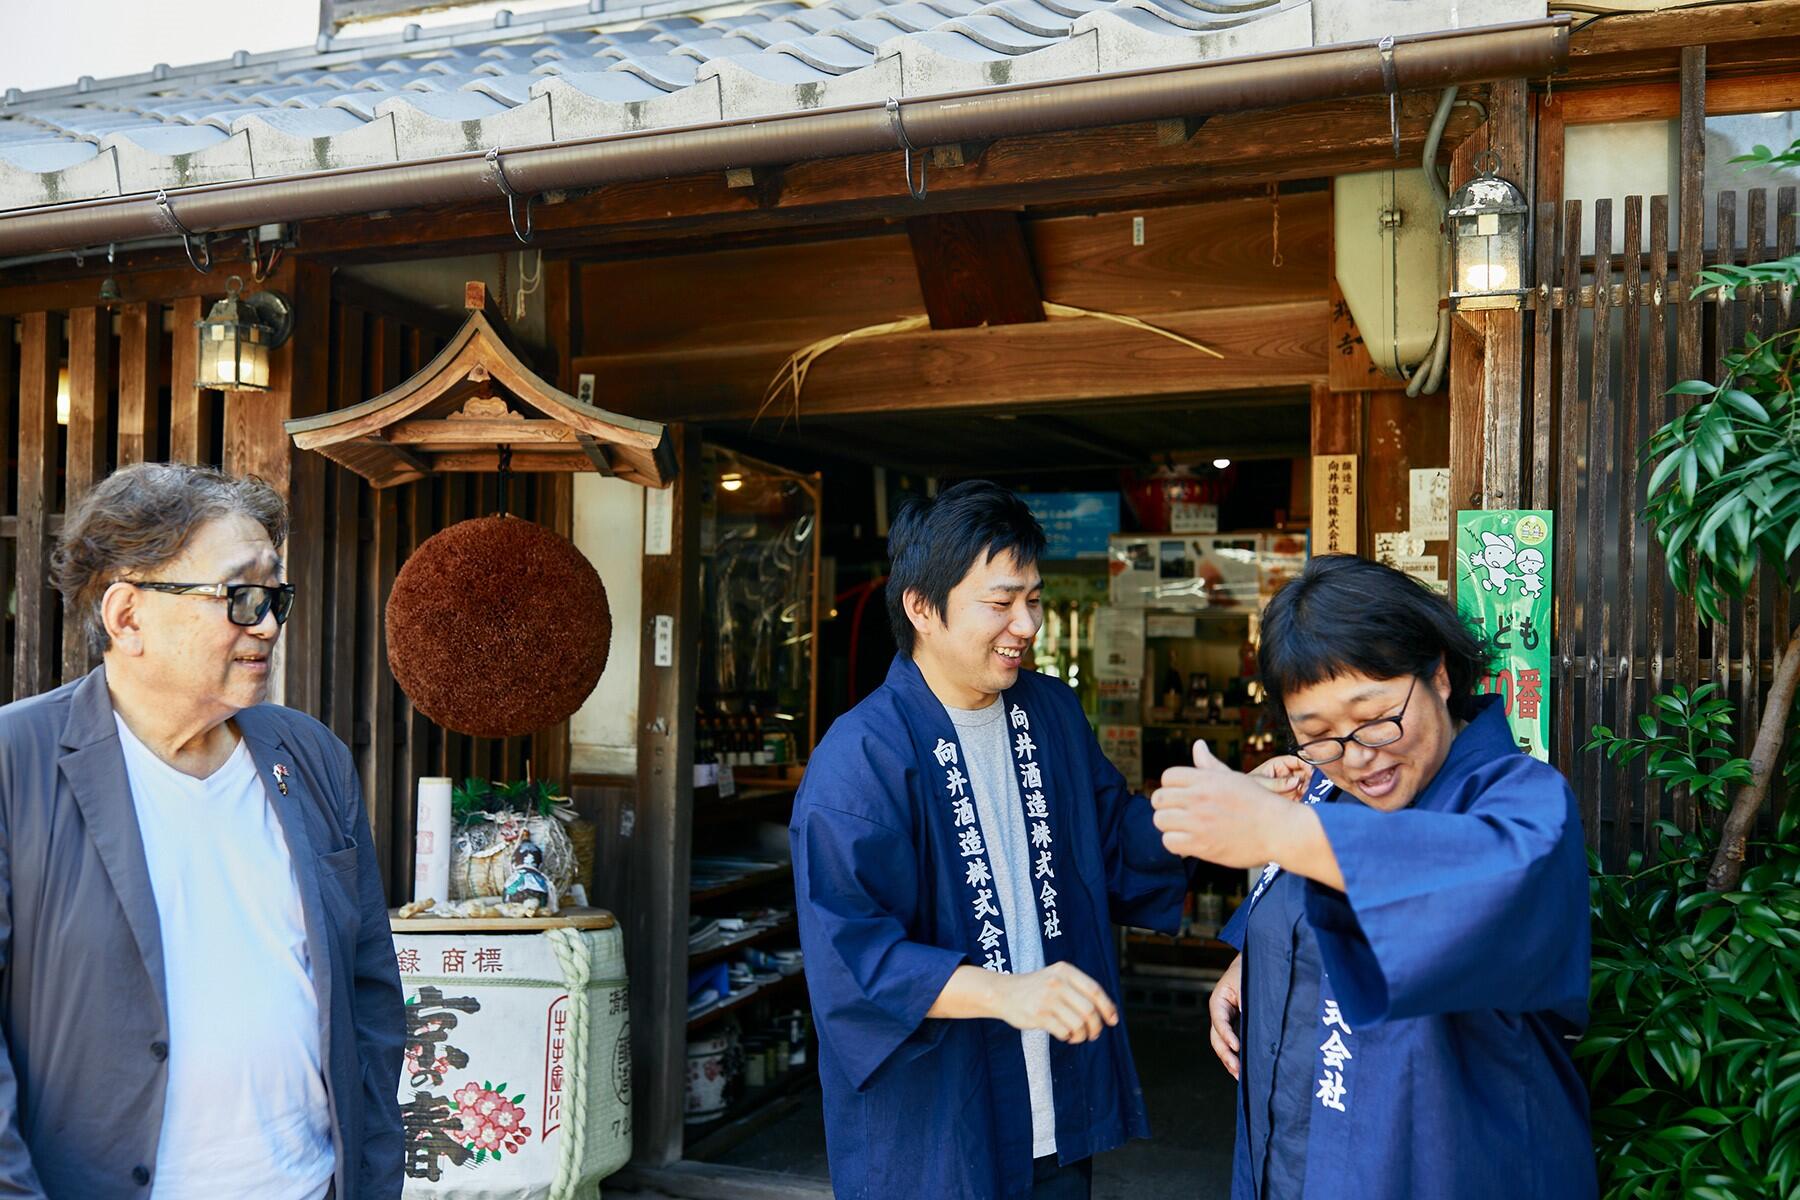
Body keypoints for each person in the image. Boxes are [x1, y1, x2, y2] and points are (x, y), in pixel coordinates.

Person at [0, 463, 404, 1199]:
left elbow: (368, 997)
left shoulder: (309, 756)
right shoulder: (14, 763)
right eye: (240, 596)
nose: (268, 624)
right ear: (128, 616)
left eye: (274, 596)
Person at [790, 481, 1191, 1200]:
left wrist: (1222, 809)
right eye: (1001, 602)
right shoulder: (863, 756)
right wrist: (1007, 993)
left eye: (1033, 599)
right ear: (922, 607)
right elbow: (855, 952)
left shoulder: (1051, 712)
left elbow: (1112, 844)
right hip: (937, 1132)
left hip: (1055, 1114)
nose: (1026, 624)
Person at [1148, 555, 1596, 1199]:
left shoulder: (1524, 800)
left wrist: (1278, 830)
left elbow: (1481, 883)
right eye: (1318, 734)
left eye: (1375, 717)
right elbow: (1305, 905)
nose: (1357, 757)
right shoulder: (1327, 788)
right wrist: (1260, 954)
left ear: (1438, 674)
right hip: (1295, 1153)